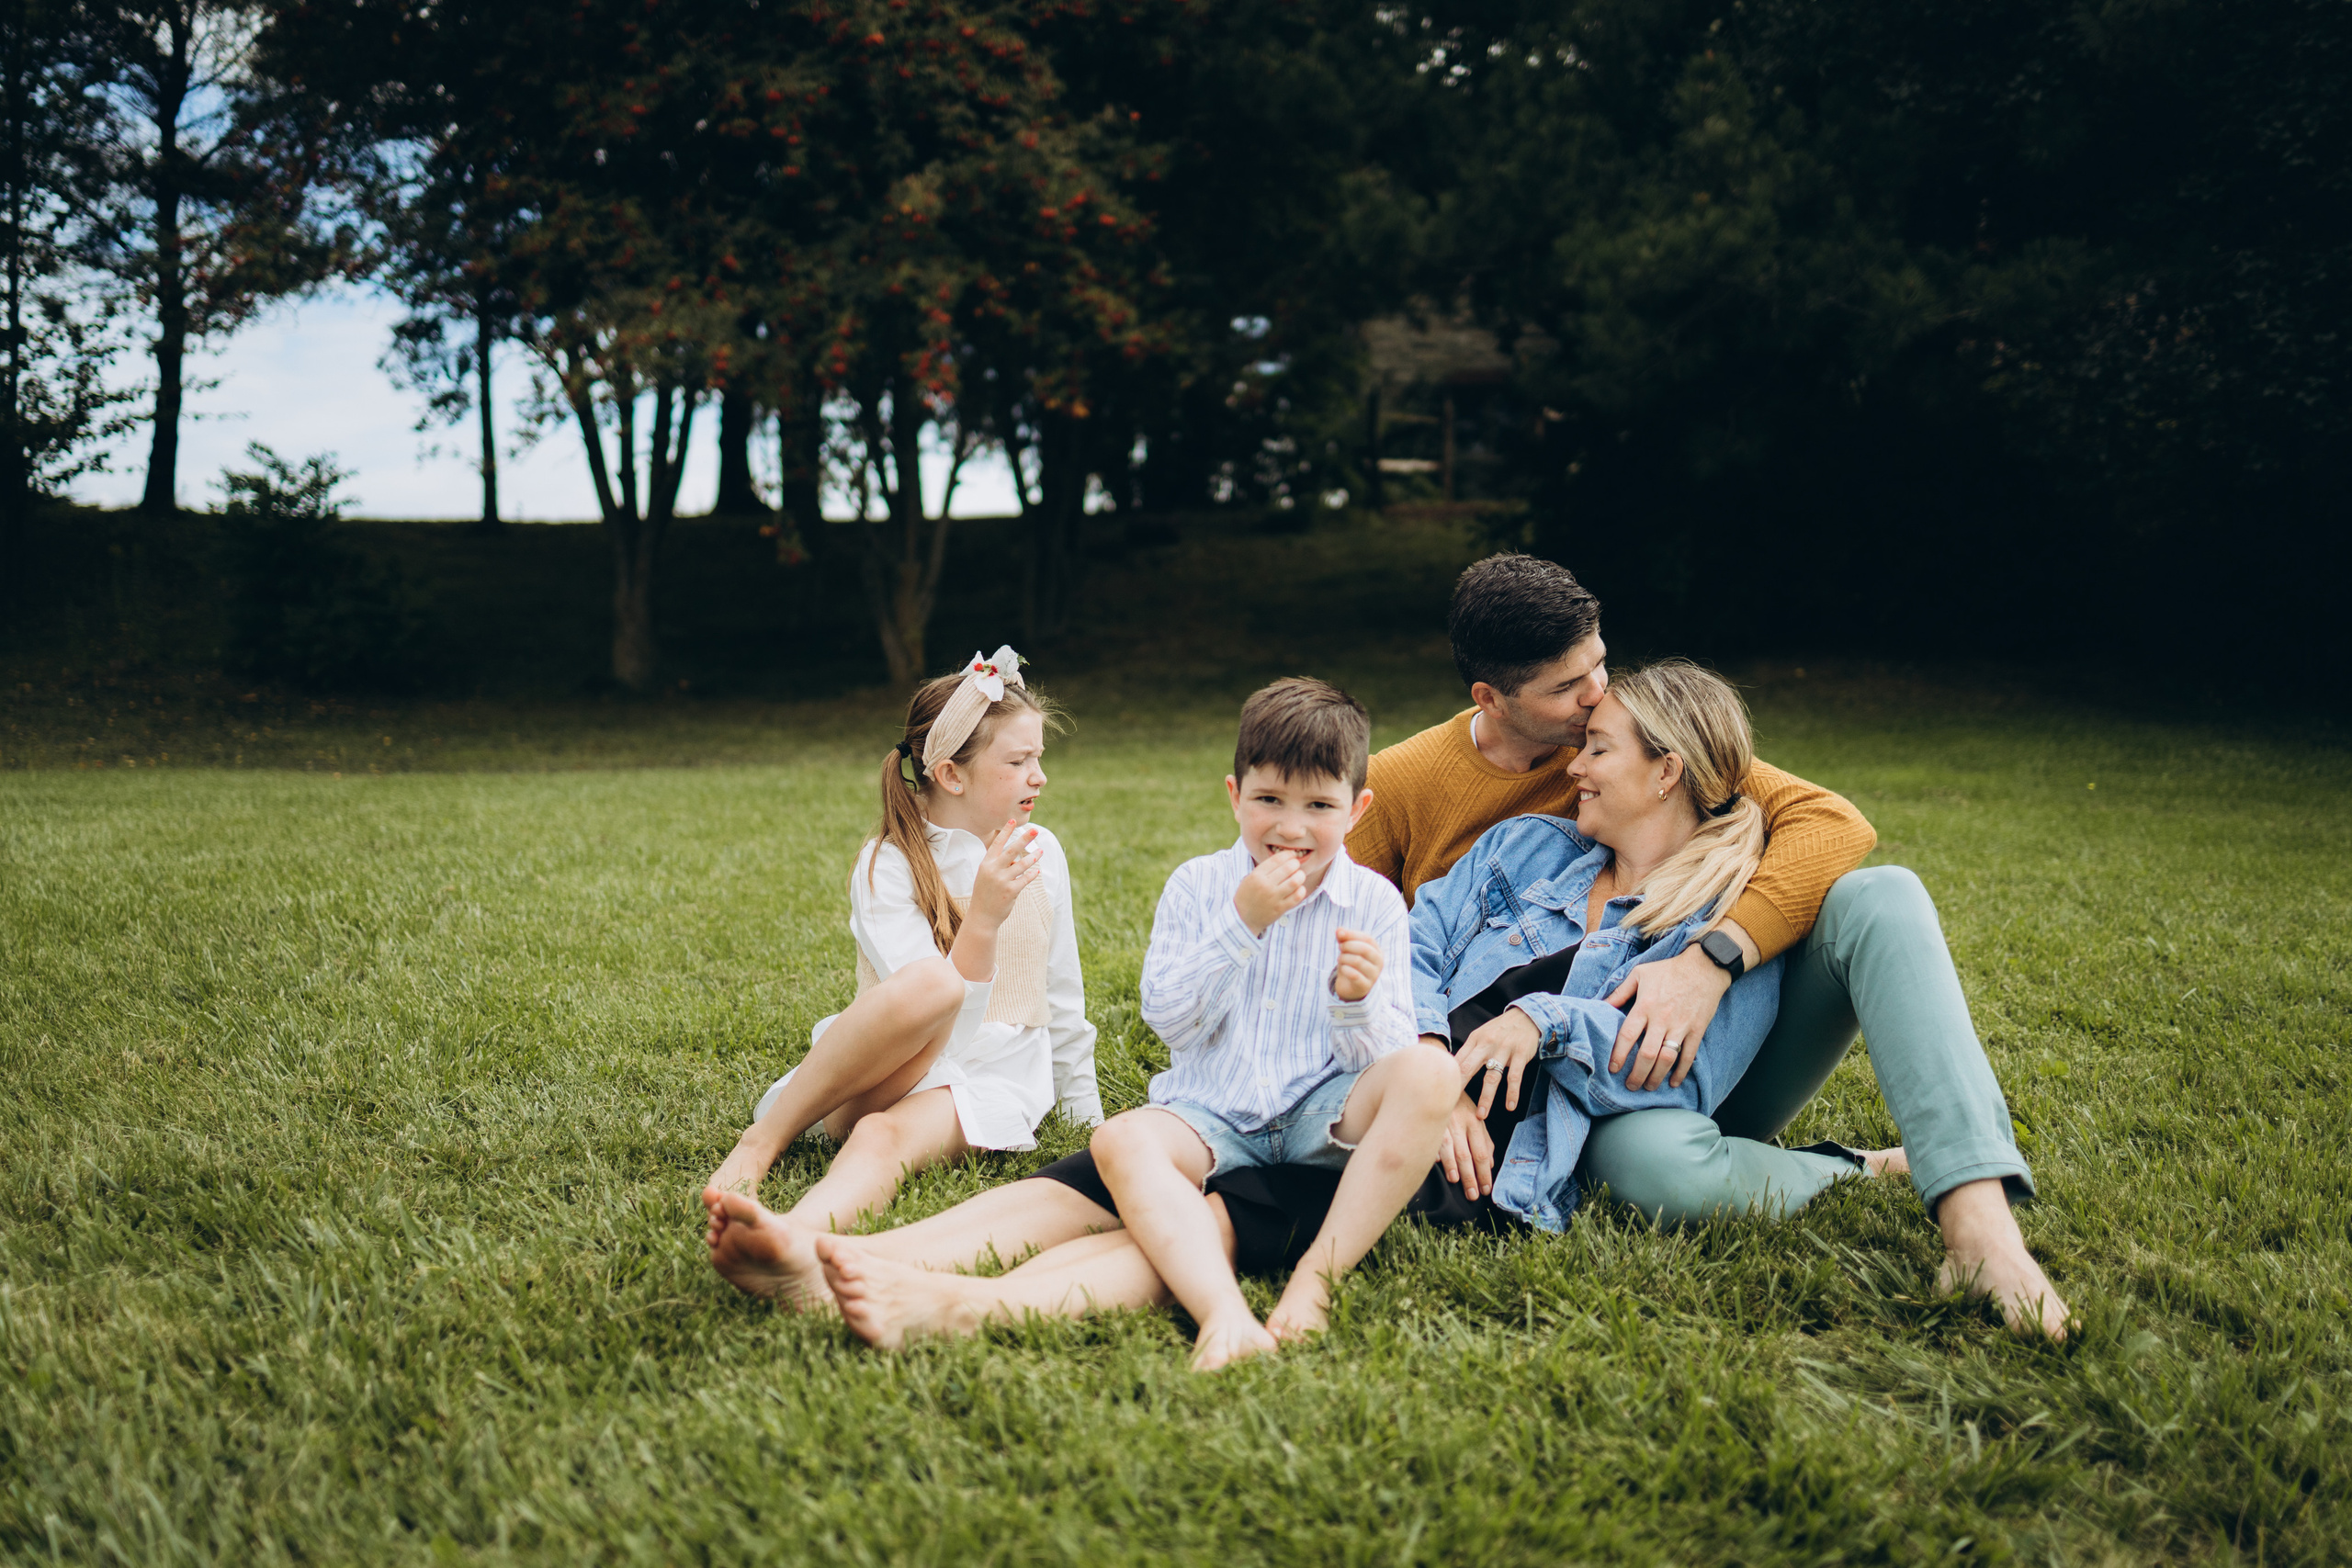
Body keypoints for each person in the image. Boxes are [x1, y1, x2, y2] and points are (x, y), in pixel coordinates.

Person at [1351, 555, 2071, 1337]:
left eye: (1599, 664)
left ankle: (1980, 1226)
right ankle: (1854, 1167)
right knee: (1641, 1167)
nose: (1597, 696)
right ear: (1491, 698)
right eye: (1568, 690)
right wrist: (1427, 1072)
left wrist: (1710, 961)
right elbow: (1347, 942)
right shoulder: (1405, 787)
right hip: (1584, 1090)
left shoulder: (1643, 734)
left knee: (1884, 894)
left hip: (1722, 1036)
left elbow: (1835, 823)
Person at [1082, 677, 1458, 1370]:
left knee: (1434, 1070)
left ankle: (1317, 1279)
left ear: (1357, 807)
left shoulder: (1372, 903)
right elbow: (1171, 1021)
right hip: (1211, 1111)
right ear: (1234, 795)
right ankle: (1223, 1313)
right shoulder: (1197, 887)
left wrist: (1355, 1000)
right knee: (1120, 1138)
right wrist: (1242, 923)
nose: (1290, 826)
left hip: (1321, 1112)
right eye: (1268, 800)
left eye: (1319, 804)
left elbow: (1389, 1061)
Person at [700, 648, 1100, 1288]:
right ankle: (760, 1141)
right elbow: (931, 1013)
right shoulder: (888, 861)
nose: (1039, 776)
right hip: (885, 1066)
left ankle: (791, 1240)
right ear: (951, 773)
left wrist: (1088, 1121)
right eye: (1019, 761)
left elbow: (1062, 997)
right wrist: (986, 919)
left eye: (1040, 759)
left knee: (884, 1138)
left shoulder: (1041, 852)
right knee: (931, 981)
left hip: (989, 1076)